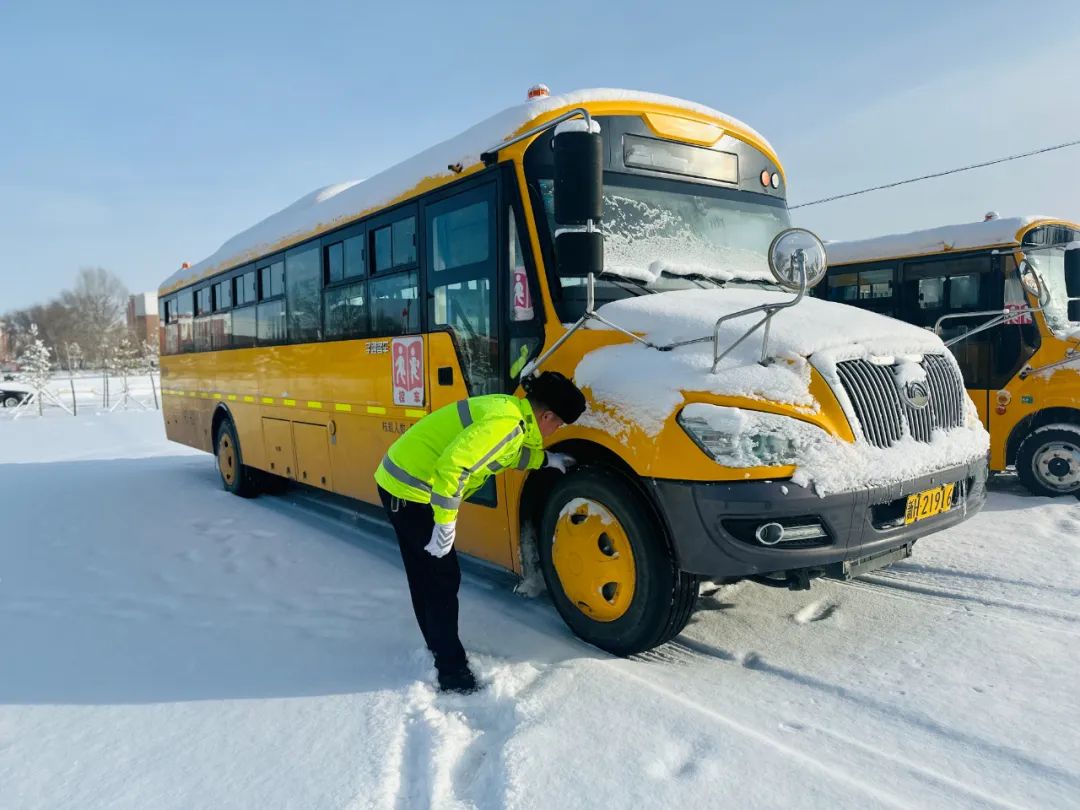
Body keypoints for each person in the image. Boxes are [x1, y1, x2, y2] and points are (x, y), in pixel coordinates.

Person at [374, 371, 586, 693]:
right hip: (410, 492)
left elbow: (505, 453)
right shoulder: (508, 425)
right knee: (440, 577)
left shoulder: (511, 412)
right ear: (546, 416)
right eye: (557, 425)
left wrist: (547, 460)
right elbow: (453, 468)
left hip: (400, 481)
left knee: (426, 572)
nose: (555, 431)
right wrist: (444, 523)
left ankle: (437, 646)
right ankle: (452, 672)